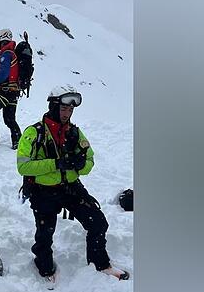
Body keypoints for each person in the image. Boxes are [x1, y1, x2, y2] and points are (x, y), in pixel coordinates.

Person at [16, 86, 129, 280]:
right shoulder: (34, 133)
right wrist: (56, 164)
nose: (67, 114)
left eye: (70, 110)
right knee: (45, 233)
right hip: (43, 190)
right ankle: (44, 267)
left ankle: (99, 264)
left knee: (98, 222)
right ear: (53, 107)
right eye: (63, 109)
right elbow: (23, 167)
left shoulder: (75, 133)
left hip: (70, 187)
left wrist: (80, 165)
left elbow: (90, 160)